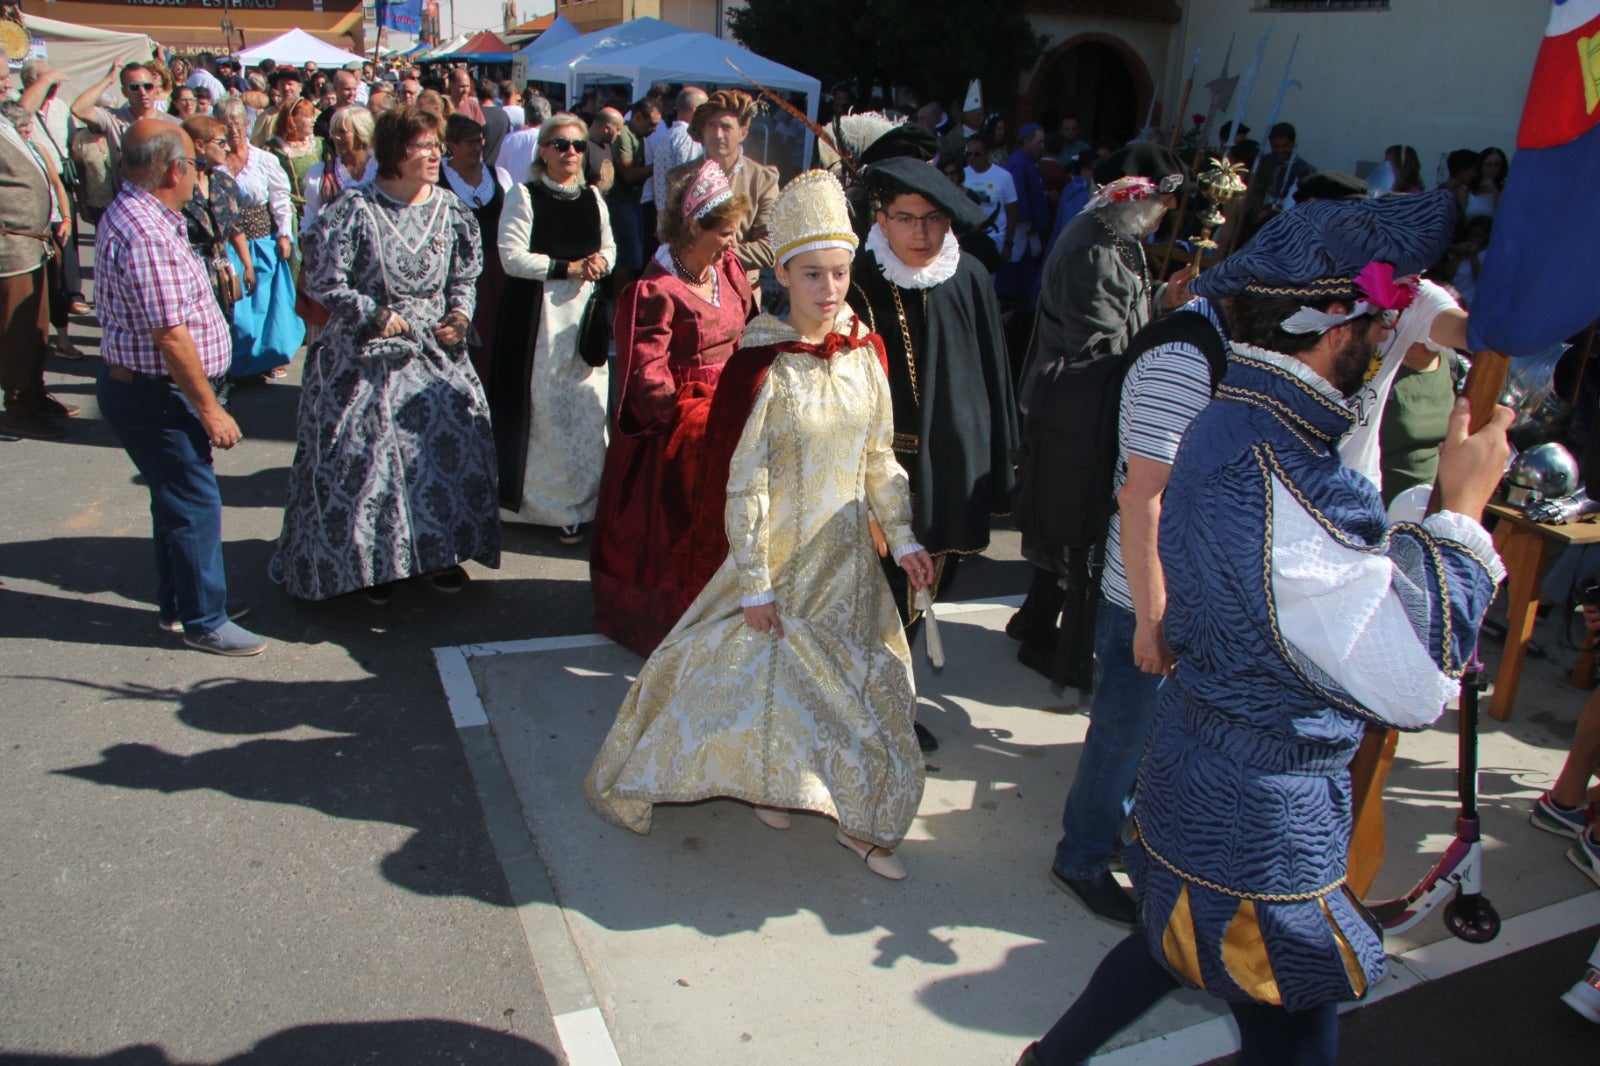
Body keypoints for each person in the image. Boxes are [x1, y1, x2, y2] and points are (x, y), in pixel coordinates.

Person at [1019, 197, 1511, 1066]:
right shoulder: (1295, 473)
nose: (1390, 335)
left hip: (1195, 767)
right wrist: (1460, 523)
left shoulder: (1230, 416)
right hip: (1264, 814)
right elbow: (1411, 682)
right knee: (1295, 1038)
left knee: (1167, 943)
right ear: (1334, 332)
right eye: (1381, 320)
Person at [585, 170, 934, 880]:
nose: (831, 289)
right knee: (761, 679)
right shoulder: (763, 363)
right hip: (779, 557)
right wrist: (753, 582)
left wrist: (903, 539)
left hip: (846, 561)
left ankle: (841, 811)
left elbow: (877, 459)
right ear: (782, 274)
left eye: (840, 273)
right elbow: (742, 484)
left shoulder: (866, 353)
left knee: (862, 689)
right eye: (813, 275)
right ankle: (811, 803)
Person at [271, 105, 499, 604]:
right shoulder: (354, 210)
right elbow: (326, 279)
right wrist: (373, 313)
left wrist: (459, 318)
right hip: (365, 348)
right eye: (424, 146)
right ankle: (371, 566)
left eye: (437, 145)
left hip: (434, 348)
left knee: (451, 436)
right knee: (366, 447)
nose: (436, 154)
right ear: (396, 153)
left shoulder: (452, 210)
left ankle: (439, 555)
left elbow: (464, 278)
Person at [845, 156, 1019, 751]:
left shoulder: (966, 274)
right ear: (881, 218)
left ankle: (890, 707)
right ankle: (862, 710)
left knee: (925, 589)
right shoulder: (857, 278)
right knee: (874, 597)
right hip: (877, 472)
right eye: (906, 219)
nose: (921, 235)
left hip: (950, 469)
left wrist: (994, 456)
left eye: (934, 220)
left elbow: (991, 374)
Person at [1009, 145, 1192, 675]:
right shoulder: (1095, 249)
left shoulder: (1117, 239)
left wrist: (1160, 302)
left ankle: (1034, 617)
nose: (1161, 213)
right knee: (1067, 513)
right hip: (1073, 401)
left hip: (1084, 397)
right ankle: (1042, 633)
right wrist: (1161, 344)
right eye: (1156, 202)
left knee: (1065, 512)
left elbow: (1125, 313)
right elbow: (1102, 342)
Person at [95, 120, 265, 654]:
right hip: (156, 394)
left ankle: (182, 602)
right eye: (194, 164)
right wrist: (210, 408)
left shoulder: (147, 216)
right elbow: (170, 336)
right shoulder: (145, 231)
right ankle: (203, 618)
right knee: (194, 503)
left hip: (150, 391)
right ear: (175, 169)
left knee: (175, 501)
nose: (198, 175)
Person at [590, 159, 754, 657]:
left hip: (735, 409)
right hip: (682, 429)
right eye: (724, 231)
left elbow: (747, 328)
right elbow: (646, 378)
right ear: (693, 228)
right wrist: (695, 422)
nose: (734, 241)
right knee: (675, 534)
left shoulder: (726, 268)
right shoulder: (655, 291)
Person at [492, 112, 615, 542]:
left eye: (579, 146)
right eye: (561, 144)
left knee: (586, 410)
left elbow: (610, 246)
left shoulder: (593, 198)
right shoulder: (524, 196)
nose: (570, 153)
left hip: (582, 320)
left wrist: (601, 262)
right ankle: (541, 506)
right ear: (543, 150)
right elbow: (511, 256)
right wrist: (568, 267)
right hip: (538, 321)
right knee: (545, 412)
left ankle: (585, 503)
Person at [0, 100, 76, 439]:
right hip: (11, 248)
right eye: (2, 77)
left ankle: (33, 393)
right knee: (17, 332)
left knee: (36, 328)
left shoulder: (8, 126)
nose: (6, 84)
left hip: (33, 245)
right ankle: (18, 406)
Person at [214, 99, 303, 380]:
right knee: (236, 304)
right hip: (228, 242)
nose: (233, 131)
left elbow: (279, 198)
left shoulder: (264, 159)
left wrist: (284, 234)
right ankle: (237, 363)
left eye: (238, 124)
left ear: (247, 124)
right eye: (226, 125)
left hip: (262, 238)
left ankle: (267, 358)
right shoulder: (215, 164)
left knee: (267, 304)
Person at [665, 91, 777, 294]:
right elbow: (669, 237)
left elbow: (771, 247)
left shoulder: (762, 179)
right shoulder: (680, 177)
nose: (718, 135)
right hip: (690, 289)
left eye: (726, 127)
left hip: (742, 291)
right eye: (711, 126)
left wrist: (727, 252)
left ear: (743, 133)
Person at [439, 114, 513, 381]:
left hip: (495, 267)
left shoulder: (497, 175)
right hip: (454, 269)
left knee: (496, 335)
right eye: (469, 143)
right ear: (452, 145)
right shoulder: (437, 178)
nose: (477, 148)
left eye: (479, 142)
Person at [179, 115, 254, 327]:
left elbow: (235, 227)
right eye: (221, 143)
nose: (227, 148)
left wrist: (247, 266)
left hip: (220, 271)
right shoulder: (177, 184)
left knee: (224, 326)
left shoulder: (224, 182)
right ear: (199, 145)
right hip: (189, 271)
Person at [71, 61, 181, 152]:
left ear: (155, 89)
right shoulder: (113, 119)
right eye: (134, 87)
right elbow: (78, 109)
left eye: (148, 86)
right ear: (124, 92)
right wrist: (108, 79)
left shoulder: (174, 124)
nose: (142, 92)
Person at [645, 86, 706, 251]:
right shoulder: (688, 138)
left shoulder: (667, 136)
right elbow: (690, 182)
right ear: (696, 110)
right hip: (681, 223)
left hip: (666, 219)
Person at [302, 105, 376, 229]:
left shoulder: (383, 168)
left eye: (342, 131)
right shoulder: (321, 173)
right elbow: (311, 216)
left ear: (361, 134)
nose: (335, 137)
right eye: (333, 131)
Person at [266, 99, 321, 229]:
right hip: (291, 214)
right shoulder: (275, 149)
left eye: (313, 116)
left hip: (318, 208)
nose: (313, 120)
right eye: (308, 116)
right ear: (292, 119)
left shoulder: (319, 145)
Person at [961, 133, 1017, 262]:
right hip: (969, 242)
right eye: (969, 154)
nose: (972, 158)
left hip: (995, 240)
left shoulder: (1004, 177)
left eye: (977, 154)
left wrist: (1008, 244)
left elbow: (1012, 213)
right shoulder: (962, 174)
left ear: (988, 153)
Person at [1467, 146, 1508, 221]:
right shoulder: (1467, 189)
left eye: (1497, 165)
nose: (1492, 169)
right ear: (1481, 166)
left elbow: (1504, 215)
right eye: (1488, 165)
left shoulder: (1506, 189)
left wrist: (1494, 191)